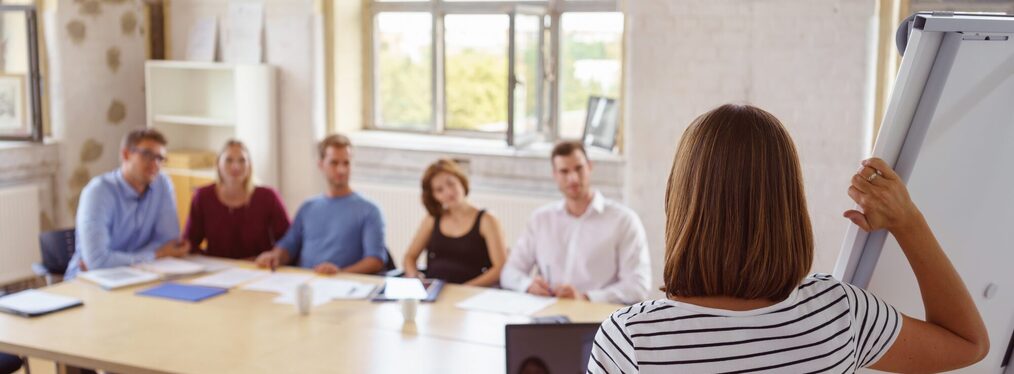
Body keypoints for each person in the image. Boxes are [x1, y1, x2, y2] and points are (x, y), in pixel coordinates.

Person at [587, 104, 989, 373]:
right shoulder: (839, 314)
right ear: (789, 204)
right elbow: (968, 342)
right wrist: (908, 221)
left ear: (679, 200)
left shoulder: (632, 341)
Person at [500, 141, 651, 305]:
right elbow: (509, 272)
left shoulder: (624, 220)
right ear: (555, 175)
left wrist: (586, 297)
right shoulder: (540, 219)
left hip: (598, 320)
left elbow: (638, 286)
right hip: (548, 315)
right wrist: (528, 285)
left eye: (579, 168)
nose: (573, 178)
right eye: (564, 171)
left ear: (590, 167)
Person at [254, 134, 388, 274]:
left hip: (344, 285)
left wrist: (340, 273)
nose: (341, 170)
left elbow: (375, 260)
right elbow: (288, 245)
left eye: (346, 163)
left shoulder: (370, 210)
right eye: (334, 163)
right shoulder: (308, 207)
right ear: (321, 164)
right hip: (305, 284)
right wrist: (274, 256)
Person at [66, 128, 190, 279]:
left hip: (141, 276)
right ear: (125, 154)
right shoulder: (98, 192)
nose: (155, 164)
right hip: (91, 281)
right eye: (147, 155)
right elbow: (98, 261)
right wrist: (157, 254)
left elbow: (169, 242)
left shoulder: (162, 184)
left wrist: (125, 259)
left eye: (160, 158)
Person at [402, 159, 507, 286]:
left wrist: (463, 290)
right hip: (434, 292)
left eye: (451, 183)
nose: (449, 192)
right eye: (439, 190)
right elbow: (410, 257)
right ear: (434, 196)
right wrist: (415, 277)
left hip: (470, 293)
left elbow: (500, 268)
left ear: (461, 181)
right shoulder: (432, 219)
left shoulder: (487, 220)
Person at [184, 139, 290, 259]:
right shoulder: (202, 196)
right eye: (229, 160)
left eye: (242, 160)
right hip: (216, 270)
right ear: (218, 164)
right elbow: (190, 242)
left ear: (249, 165)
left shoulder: (268, 197)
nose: (236, 166)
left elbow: (288, 242)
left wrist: (273, 256)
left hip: (258, 269)